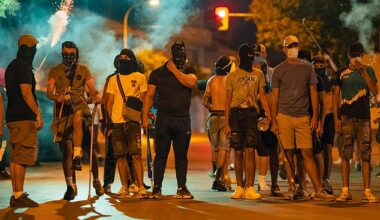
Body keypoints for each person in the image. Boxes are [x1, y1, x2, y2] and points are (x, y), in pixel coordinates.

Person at [271, 35, 334, 201]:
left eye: (295, 45)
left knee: (307, 152)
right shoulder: (278, 70)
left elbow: (313, 92)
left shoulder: (308, 68)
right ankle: (293, 188)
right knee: (288, 154)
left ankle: (318, 189)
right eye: (290, 45)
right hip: (284, 116)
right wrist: (273, 120)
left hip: (303, 117)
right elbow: (275, 98)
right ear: (284, 49)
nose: (293, 48)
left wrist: (315, 117)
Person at [47, 41, 104, 200]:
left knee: (89, 147)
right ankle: (70, 186)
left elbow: (92, 91)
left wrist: (96, 96)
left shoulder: (84, 69)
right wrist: (59, 97)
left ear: (76, 54)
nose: (68, 58)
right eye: (65, 55)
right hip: (63, 114)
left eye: (71, 55)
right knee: (66, 150)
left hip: (80, 110)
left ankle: (96, 180)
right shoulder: (55, 70)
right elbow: (49, 93)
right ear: (62, 54)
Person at [143, 41, 197, 199]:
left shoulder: (189, 71)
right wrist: (145, 116)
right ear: (172, 55)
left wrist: (174, 71)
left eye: (183, 55)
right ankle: (157, 188)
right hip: (164, 120)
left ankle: (182, 188)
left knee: (181, 156)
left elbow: (191, 82)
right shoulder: (157, 73)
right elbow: (149, 96)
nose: (181, 58)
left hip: (182, 120)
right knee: (160, 155)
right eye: (179, 55)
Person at [225, 43, 272, 200]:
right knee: (238, 150)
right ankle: (239, 187)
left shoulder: (258, 74)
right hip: (235, 114)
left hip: (252, 114)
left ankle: (250, 188)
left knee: (251, 149)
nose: (250, 59)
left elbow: (263, 96)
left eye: (252, 56)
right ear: (241, 57)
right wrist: (226, 123)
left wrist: (269, 115)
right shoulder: (232, 75)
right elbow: (228, 100)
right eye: (248, 56)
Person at [333, 42, 378, 202]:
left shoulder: (369, 70)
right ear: (348, 56)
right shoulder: (340, 73)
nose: (356, 58)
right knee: (346, 154)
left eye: (358, 55)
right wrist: (336, 118)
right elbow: (335, 96)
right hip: (346, 118)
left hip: (364, 119)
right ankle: (345, 191)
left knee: (365, 155)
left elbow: (374, 91)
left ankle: (367, 191)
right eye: (353, 55)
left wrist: (363, 71)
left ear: (362, 55)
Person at [5, 34, 43, 207]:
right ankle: (19, 196)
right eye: (33, 48)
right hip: (24, 118)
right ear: (27, 49)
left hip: (12, 117)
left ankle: (16, 195)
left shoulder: (12, 66)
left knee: (15, 158)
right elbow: (26, 93)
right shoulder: (24, 67)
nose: (35, 51)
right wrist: (37, 114)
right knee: (22, 157)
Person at [105, 49, 148, 198]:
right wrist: (108, 122)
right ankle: (124, 186)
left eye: (126, 57)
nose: (123, 60)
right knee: (120, 156)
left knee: (136, 155)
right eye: (121, 57)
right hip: (117, 123)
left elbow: (144, 99)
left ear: (132, 60)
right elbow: (109, 102)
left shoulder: (140, 77)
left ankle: (141, 187)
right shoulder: (113, 79)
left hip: (133, 122)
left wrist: (144, 119)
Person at [253, 44, 281, 195]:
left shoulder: (272, 72)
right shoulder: (249, 73)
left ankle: (274, 184)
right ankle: (248, 182)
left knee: (272, 150)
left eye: (261, 53)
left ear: (265, 55)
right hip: (253, 114)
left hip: (270, 113)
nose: (258, 56)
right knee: (251, 149)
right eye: (256, 54)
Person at [203, 55, 233, 191]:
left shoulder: (211, 80)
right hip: (226, 117)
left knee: (216, 148)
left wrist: (212, 107)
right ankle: (219, 179)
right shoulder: (230, 80)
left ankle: (221, 177)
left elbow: (205, 101)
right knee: (224, 149)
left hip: (213, 117)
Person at [312, 55, 334, 194]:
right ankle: (317, 180)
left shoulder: (330, 80)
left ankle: (325, 179)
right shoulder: (311, 79)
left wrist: (324, 119)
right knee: (315, 151)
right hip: (315, 118)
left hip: (329, 118)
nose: (319, 66)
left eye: (321, 64)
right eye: (316, 64)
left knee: (328, 148)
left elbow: (328, 101)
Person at [0, 67, 10, 180]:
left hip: (3, 122)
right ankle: (2, 169)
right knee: (2, 146)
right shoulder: (2, 91)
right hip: (2, 123)